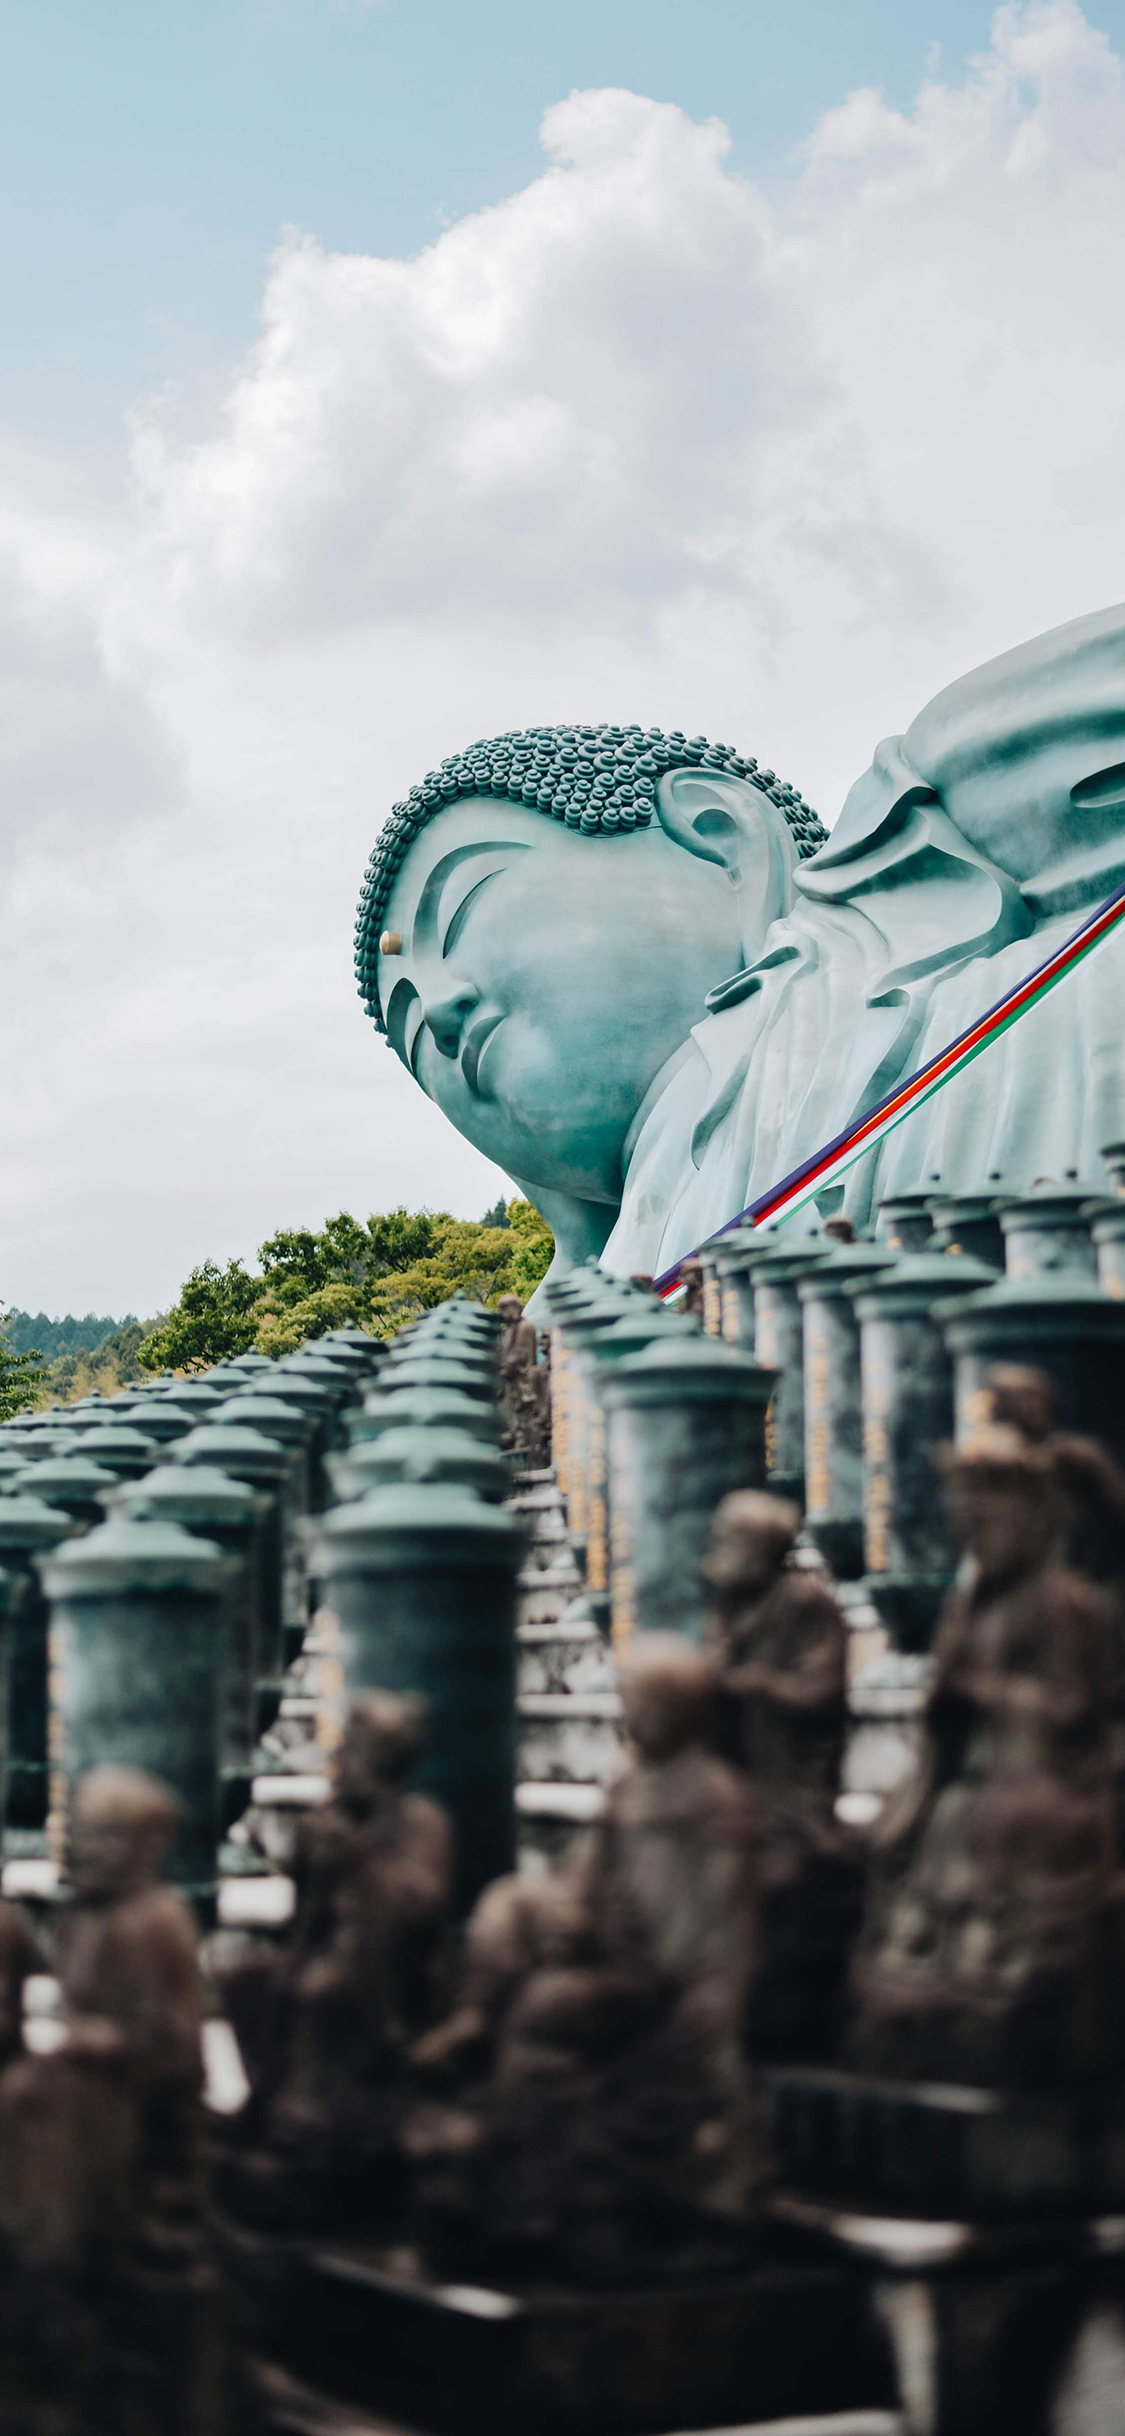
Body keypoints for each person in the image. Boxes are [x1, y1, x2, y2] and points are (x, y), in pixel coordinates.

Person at [356, 603, 1125, 1294]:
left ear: (723, 839)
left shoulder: (925, 968)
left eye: (464, 906)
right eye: (410, 1028)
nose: (442, 1007)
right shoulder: (625, 1268)